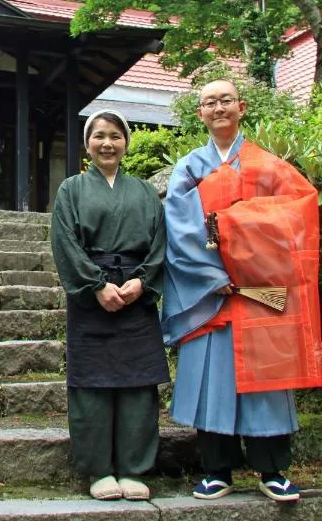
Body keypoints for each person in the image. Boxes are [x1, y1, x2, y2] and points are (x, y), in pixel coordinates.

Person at [162, 79, 322, 503]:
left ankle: (273, 470)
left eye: (225, 100)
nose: (218, 108)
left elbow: (299, 210)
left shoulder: (269, 166)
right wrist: (218, 275)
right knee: (212, 380)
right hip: (213, 293)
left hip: (259, 292)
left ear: (241, 107)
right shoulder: (189, 168)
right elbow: (179, 228)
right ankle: (217, 470)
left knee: (267, 383)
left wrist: (238, 228)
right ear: (200, 113)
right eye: (209, 102)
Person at [50, 109, 169, 501]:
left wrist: (143, 281)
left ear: (126, 144)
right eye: (99, 135)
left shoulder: (145, 192)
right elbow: (65, 242)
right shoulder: (71, 189)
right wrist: (96, 286)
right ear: (87, 144)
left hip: (136, 292)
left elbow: (160, 242)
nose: (107, 143)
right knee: (91, 385)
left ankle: (134, 468)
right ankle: (98, 470)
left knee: (138, 383)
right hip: (91, 295)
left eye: (116, 136)